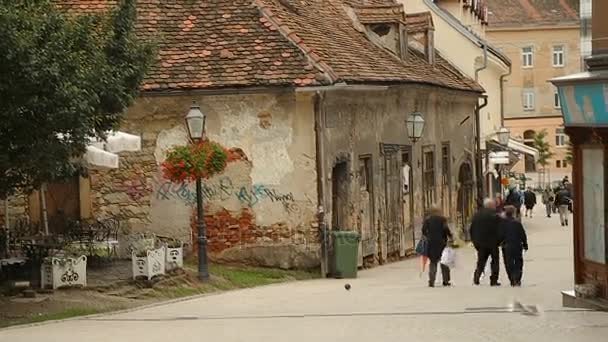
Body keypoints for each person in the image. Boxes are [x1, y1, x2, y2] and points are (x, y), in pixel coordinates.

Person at [470, 198, 504, 286]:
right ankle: (493, 280)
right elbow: (501, 230)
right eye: (493, 205)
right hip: (493, 243)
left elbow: (471, 230)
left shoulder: (477, 215)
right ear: (491, 206)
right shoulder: (496, 216)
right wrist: (499, 241)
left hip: (481, 243)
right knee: (495, 262)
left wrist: (475, 242)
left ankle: (476, 278)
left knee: (481, 262)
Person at [421, 206, 453, 287]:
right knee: (444, 262)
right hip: (442, 243)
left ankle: (431, 281)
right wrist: (450, 236)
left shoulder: (427, 220)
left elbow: (423, 230)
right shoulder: (442, 219)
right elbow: (446, 229)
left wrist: (427, 236)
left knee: (433, 262)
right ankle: (446, 280)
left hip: (431, 243)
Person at [500, 206, 529, 286]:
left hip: (506, 246)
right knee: (518, 262)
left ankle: (512, 278)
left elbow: (499, 235)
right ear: (513, 213)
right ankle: (517, 278)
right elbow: (523, 234)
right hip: (517, 245)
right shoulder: (517, 223)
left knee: (508, 263)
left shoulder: (502, 223)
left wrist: (499, 242)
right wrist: (525, 244)